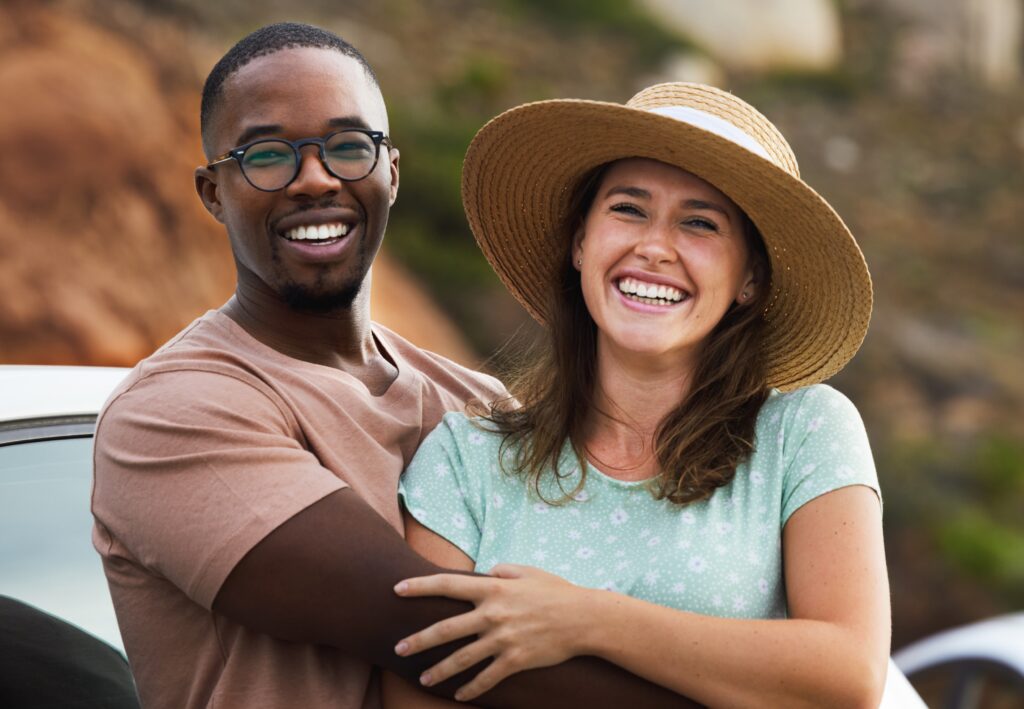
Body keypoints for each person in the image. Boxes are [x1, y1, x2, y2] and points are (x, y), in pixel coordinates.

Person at [91, 23, 695, 709]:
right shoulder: (171, 412)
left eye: (350, 147)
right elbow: (432, 627)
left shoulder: (478, 402)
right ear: (212, 192)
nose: (314, 178)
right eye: (266, 155)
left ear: (392, 172)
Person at [384, 82, 890, 707]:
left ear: (750, 279)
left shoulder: (805, 433)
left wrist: (587, 622)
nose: (653, 247)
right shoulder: (467, 460)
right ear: (579, 243)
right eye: (628, 209)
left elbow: (849, 677)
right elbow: (416, 685)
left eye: (700, 223)